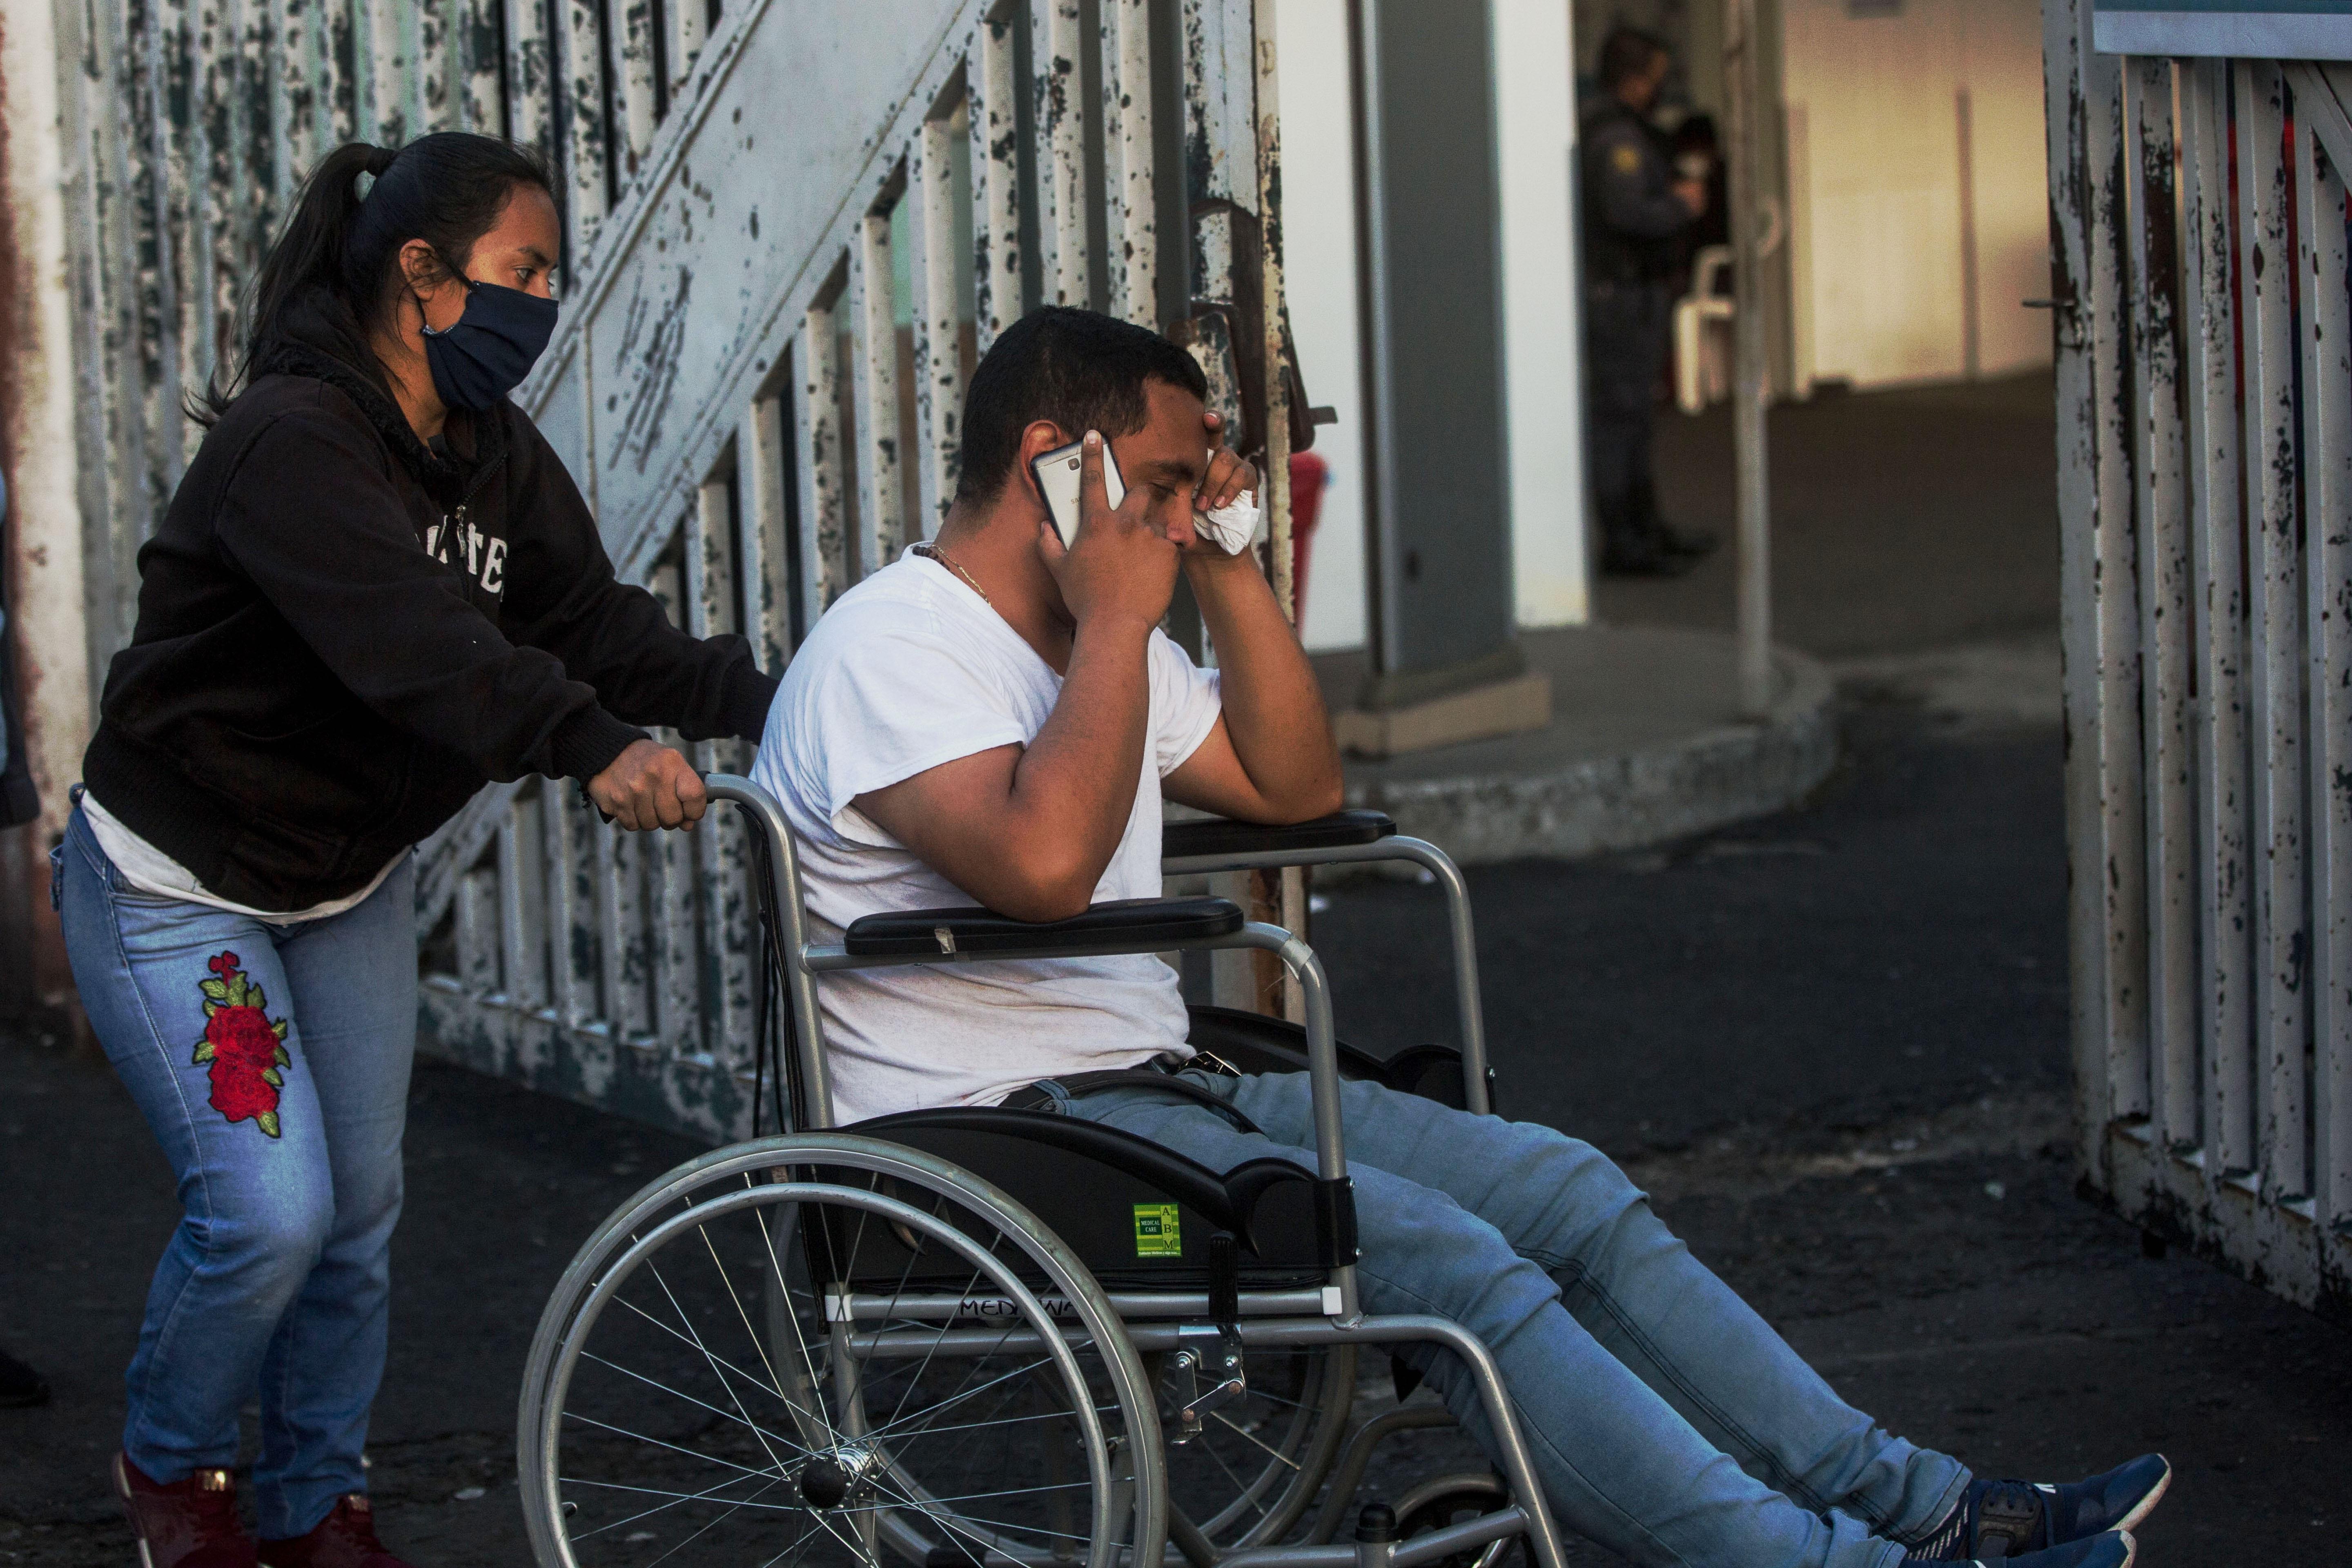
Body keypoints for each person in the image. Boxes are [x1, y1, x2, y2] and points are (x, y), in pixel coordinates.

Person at [752, 306, 2167, 1568]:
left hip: (1150, 1099)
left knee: (1570, 1196)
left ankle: (1928, 1508)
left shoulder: (1090, 646)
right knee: (1449, 1263)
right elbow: (1048, 868)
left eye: (1194, 498)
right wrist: (1120, 620)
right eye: (1168, 488)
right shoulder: (893, 650)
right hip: (993, 1141)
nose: (1181, 522)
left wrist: (1232, 572)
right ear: (1053, 460)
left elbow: (1296, 786)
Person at [60, 134, 771, 1568]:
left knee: (357, 1218)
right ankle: (174, 1468)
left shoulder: (486, 445)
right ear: (423, 273)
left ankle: (315, 1502)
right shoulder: (293, 442)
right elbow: (421, 646)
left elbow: (590, 621)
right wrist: (591, 746)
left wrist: (781, 703)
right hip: (176, 888)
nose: (545, 302)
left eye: (554, 276)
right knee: (268, 1217)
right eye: (526, 271)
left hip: (344, 883)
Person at [1584, 27, 1718, 576]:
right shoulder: (1615, 139)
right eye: (1656, 78)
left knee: (1637, 419)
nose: (1662, 89)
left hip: (1635, 295)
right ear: (1634, 81)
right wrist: (1681, 206)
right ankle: (1625, 542)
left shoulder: (1628, 130)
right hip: (1618, 299)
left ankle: (1647, 530)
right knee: (1620, 422)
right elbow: (1627, 212)